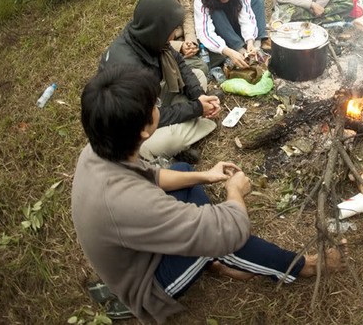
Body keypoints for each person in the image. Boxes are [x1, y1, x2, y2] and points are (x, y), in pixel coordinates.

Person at [72, 64, 345, 323]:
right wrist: (234, 190)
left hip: (136, 245)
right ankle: (299, 267)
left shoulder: (100, 149)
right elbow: (231, 229)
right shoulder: (129, 202)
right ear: (144, 129)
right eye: (154, 106)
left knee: (181, 170)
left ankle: (214, 262)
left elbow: (151, 177)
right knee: (223, 239)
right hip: (148, 280)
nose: (158, 107)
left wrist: (206, 175)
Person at [99, 0, 220, 160]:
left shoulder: (147, 36)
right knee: (171, 140)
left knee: (198, 75)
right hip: (133, 131)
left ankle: (190, 120)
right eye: (173, 28)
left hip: (150, 102)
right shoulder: (130, 69)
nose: (175, 33)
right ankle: (190, 131)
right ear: (160, 29)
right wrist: (197, 108)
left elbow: (179, 63)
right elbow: (151, 117)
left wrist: (199, 96)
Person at [194, 0, 269, 69]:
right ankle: (239, 50)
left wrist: (250, 41)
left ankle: (256, 48)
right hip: (222, 32)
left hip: (236, 25)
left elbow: (246, 16)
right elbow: (204, 32)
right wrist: (228, 51)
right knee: (216, 11)